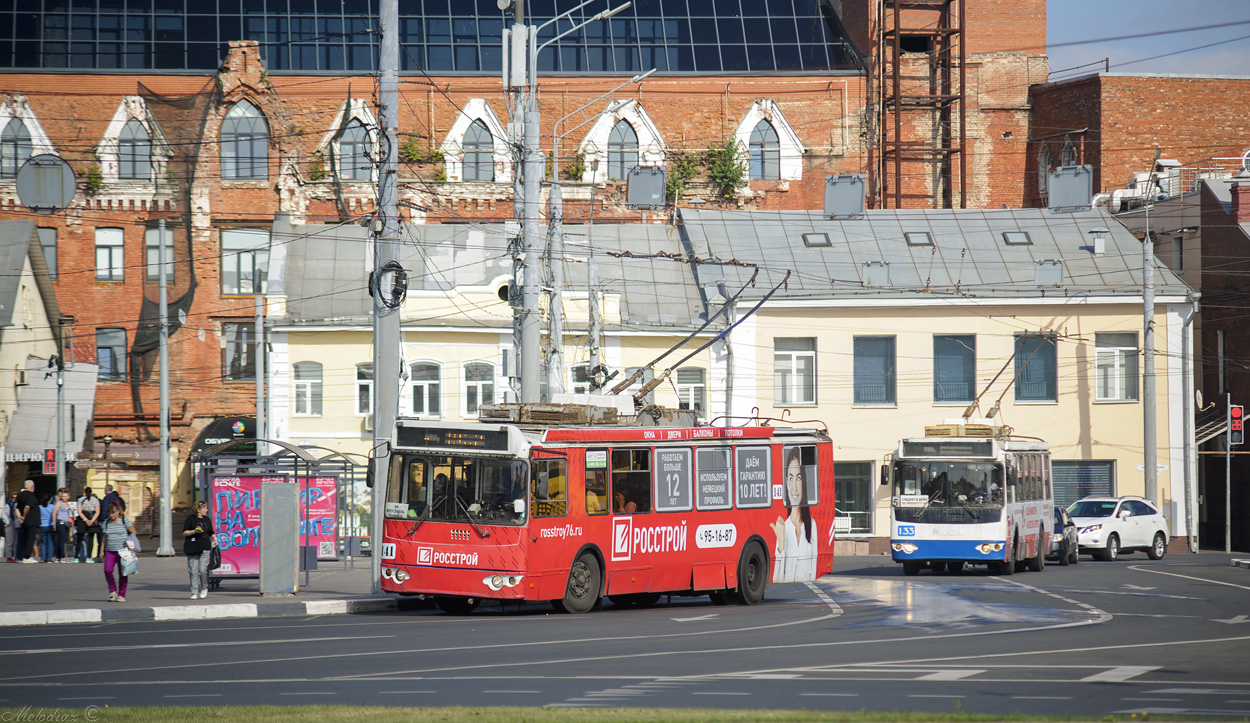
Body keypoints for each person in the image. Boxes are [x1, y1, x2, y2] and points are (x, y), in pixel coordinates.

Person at [771, 447, 817, 583]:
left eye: (799, 478)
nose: (794, 487)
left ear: (804, 482)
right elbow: (776, 578)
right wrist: (781, 544)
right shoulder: (782, 526)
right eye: (791, 478)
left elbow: (814, 571)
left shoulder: (811, 525)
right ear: (786, 482)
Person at [101, 503, 136, 602]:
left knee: (123, 573)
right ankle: (112, 591)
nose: (112, 515)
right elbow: (104, 537)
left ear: (118, 512)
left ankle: (121, 594)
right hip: (110, 550)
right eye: (110, 513)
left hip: (122, 551)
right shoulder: (106, 522)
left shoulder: (124, 521)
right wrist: (101, 551)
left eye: (114, 513)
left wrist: (129, 544)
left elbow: (133, 532)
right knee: (107, 570)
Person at [183, 500, 215, 600]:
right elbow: (185, 532)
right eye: (204, 508)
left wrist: (215, 538)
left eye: (206, 508)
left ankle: (204, 588)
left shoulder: (207, 519)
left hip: (205, 547)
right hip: (193, 547)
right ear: (198, 509)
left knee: (202, 570)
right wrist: (194, 531)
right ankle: (194, 592)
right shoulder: (190, 519)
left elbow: (211, 532)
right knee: (193, 571)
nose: (206, 510)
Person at [15, 480, 40, 563]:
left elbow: (17, 508)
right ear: (32, 487)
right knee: (30, 538)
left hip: (24, 522)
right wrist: (24, 516)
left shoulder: (20, 495)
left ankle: (21, 556)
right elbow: (27, 507)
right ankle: (27, 556)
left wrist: (20, 517)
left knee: (24, 538)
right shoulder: (30, 495)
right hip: (31, 520)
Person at [77, 487, 101, 563]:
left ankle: (76, 556)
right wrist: (92, 521)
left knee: (80, 538)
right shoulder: (95, 500)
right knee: (91, 539)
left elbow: (79, 512)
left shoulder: (81, 499)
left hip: (83, 518)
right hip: (92, 517)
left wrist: (85, 520)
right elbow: (97, 512)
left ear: (84, 492)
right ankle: (89, 557)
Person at [53, 489, 72, 562]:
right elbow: (54, 513)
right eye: (63, 496)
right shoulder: (59, 503)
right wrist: (54, 524)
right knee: (62, 540)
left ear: (68, 497)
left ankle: (58, 557)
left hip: (66, 523)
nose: (64, 498)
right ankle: (63, 557)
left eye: (65, 496)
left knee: (63, 540)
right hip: (60, 523)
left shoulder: (68, 504)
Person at [38, 495, 55, 562]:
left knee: (43, 542)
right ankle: (49, 558)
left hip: (42, 526)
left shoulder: (40, 507)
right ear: (49, 500)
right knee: (50, 542)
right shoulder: (52, 507)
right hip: (50, 525)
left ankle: (43, 558)